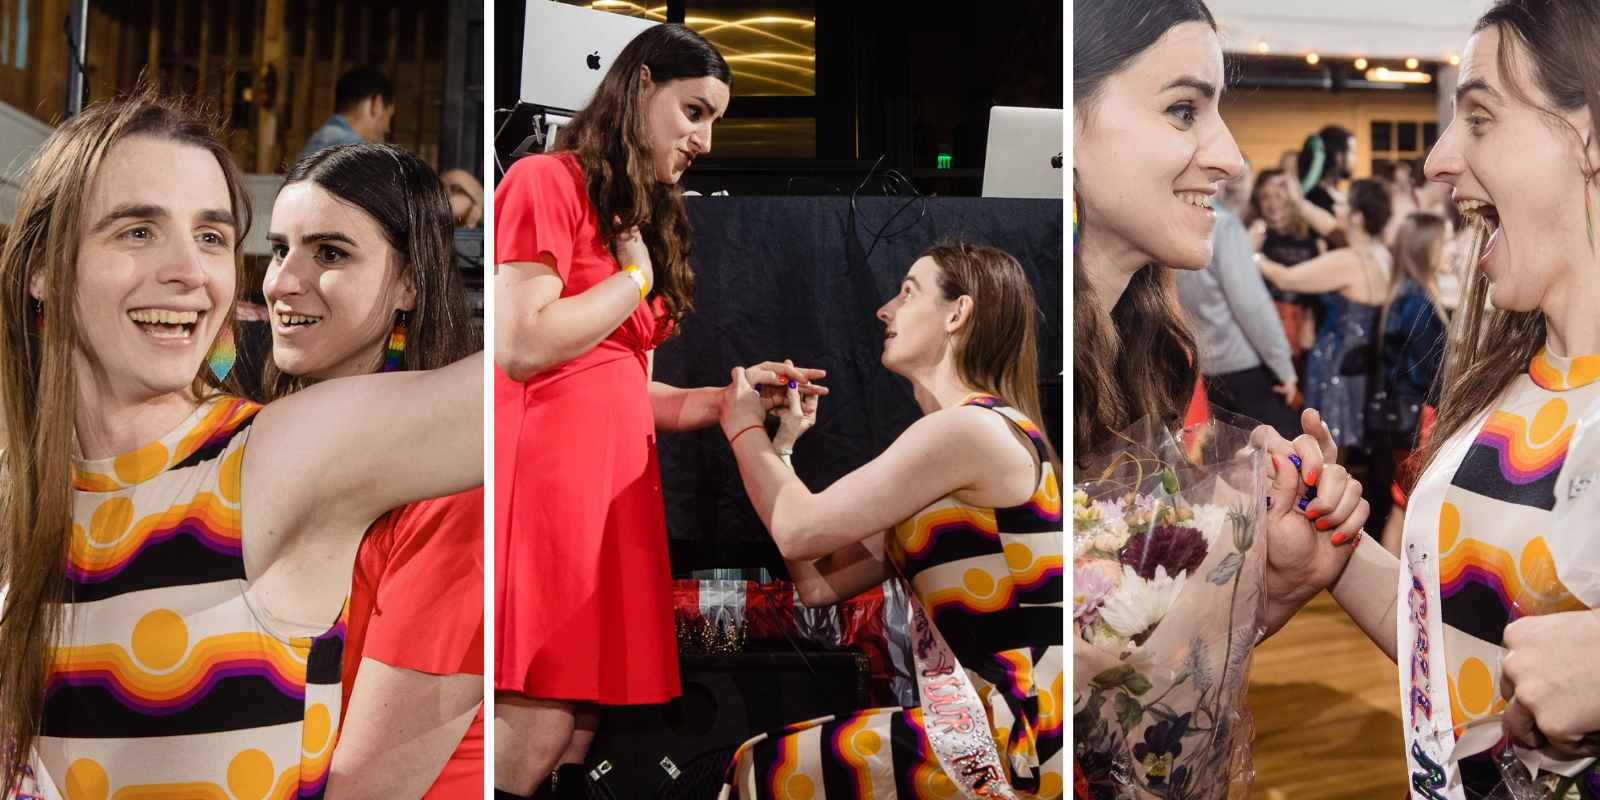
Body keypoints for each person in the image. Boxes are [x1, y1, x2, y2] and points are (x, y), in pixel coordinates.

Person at [0, 94, 481, 795]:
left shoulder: (270, 456)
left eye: (212, 237)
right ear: (43, 265)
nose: (190, 272)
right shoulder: (20, 486)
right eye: (138, 231)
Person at [491, 24, 823, 798]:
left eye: (715, 122)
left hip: (615, 490)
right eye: (695, 111)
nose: (705, 139)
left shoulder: (635, 217)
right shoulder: (546, 180)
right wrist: (634, 282)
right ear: (643, 83)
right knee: (540, 720)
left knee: (580, 728)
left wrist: (732, 399)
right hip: (552, 486)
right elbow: (520, 344)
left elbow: (632, 390)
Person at [1282, 0, 1600, 794]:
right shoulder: (1502, 384)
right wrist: (1336, 537)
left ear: (1589, 137)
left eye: (1481, 118)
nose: (1436, 160)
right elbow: (1449, 646)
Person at [1071, 0, 1365, 659]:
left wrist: (1273, 590)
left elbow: (1135, 669)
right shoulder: (1010, 367)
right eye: (1183, 109)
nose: (1231, 158)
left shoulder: (1154, 358)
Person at [718, 242, 1062, 798]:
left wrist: (740, 426)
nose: (884, 309)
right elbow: (816, 582)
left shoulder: (968, 430)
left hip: (1018, 737)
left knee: (764, 771)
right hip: (987, 728)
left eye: (907, 292)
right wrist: (781, 450)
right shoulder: (960, 445)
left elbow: (796, 527)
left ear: (957, 314)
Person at [261, 142, 484, 798]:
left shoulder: (453, 492)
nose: (282, 281)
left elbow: (367, 786)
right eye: (279, 250)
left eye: (329, 253)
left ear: (410, 283)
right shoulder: (263, 435)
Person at [1257, 178, 1394, 450]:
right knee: (1340, 447)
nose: (1335, 208)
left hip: (1336, 365)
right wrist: (1299, 202)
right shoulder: (1380, 253)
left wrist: (1250, 253)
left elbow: (1284, 278)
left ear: (1357, 217)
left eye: (1342, 205)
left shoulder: (1348, 261)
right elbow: (1330, 228)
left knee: (1328, 448)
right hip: (1360, 363)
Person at [1175, 181, 1300, 438]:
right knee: (1276, 458)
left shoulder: (1171, 223)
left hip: (1201, 366)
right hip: (1242, 364)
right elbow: (1250, 303)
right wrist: (1283, 367)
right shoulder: (1222, 224)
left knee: (1223, 463)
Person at [1365, 212, 1450, 552]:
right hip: (1421, 417)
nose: (1450, 251)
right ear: (1424, 248)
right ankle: (1393, 590)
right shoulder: (1417, 301)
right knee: (1405, 503)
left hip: (1406, 415)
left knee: (1403, 501)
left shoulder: (1404, 295)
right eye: (1443, 244)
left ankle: (1394, 588)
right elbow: (1430, 371)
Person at [298, 66, 395, 163]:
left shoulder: (316, 141)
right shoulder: (356, 153)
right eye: (388, 117)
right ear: (377, 105)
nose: (387, 129)